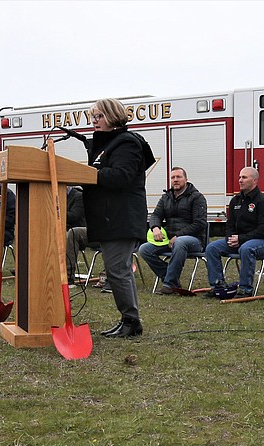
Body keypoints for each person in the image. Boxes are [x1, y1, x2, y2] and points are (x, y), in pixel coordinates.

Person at [79, 98, 155, 338]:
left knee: (116, 270)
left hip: (121, 217)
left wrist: (87, 174)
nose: (94, 121)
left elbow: (121, 176)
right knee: (118, 269)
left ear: (113, 116)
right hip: (109, 217)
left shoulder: (127, 144)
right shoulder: (108, 144)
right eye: (93, 117)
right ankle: (130, 320)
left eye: (99, 116)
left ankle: (131, 322)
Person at [204, 167, 264, 298]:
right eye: (240, 177)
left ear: (254, 180)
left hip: (262, 241)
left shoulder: (262, 202)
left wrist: (241, 239)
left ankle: (245, 289)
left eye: (244, 177)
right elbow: (230, 224)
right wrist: (230, 238)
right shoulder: (235, 201)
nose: (240, 180)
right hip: (239, 241)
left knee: (246, 249)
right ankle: (217, 286)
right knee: (212, 248)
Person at [140, 166, 208, 294]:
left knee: (180, 242)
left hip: (194, 240)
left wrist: (178, 235)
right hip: (170, 240)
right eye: (173, 177)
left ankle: (170, 284)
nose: (175, 180)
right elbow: (155, 215)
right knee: (144, 249)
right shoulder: (166, 197)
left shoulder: (197, 197)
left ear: (186, 179)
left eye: (179, 177)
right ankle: (170, 276)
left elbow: (200, 224)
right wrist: (155, 228)